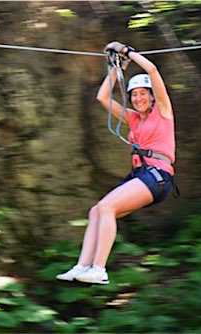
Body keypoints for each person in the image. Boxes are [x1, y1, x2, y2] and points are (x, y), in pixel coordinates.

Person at [56, 41, 176, 285]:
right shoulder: (133, 119)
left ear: (152, 96)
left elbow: (152, 71)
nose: (138, 98)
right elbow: (102, 97)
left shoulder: (163, 112)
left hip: (158, 176)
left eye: (143, 93)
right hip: (142, 176)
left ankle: (99, 269)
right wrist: (116, 68)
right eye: (134, 95)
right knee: (97, 211)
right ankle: (82, 266)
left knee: (107, 208)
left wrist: (127, 51)